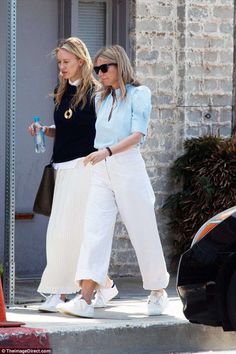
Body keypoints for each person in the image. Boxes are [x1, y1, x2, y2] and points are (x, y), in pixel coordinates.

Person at [57, 44, 170, 318]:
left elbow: (137, 135)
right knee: (94, 231)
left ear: (120, 65)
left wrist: (107, 151)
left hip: (128, 166)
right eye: (97, 69)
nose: (100, 73)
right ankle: (85, 298)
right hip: (101, 170)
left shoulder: (139, 94)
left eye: (104, 68)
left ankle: (158, 291)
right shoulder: (101, 99)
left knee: (142, 231)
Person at [28, 37, 118, 313]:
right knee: (59, 233)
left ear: (81, 60)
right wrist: (45, 129)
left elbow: (104, 132)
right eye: (59, 63)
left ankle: (60, 293)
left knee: (74, 233)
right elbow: (64, 128)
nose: (62, 68)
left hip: (86, 168)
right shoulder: (62, 90)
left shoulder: (96, 93)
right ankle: (104, 285)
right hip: (62, 168)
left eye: (66, 62)